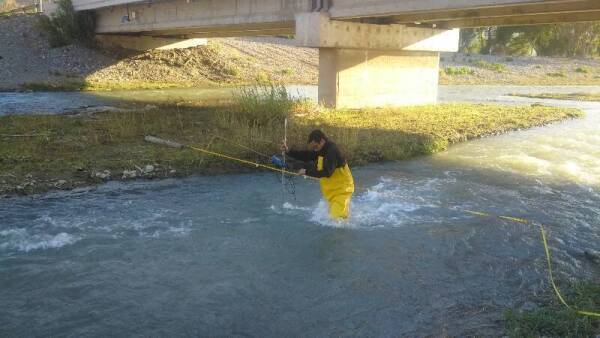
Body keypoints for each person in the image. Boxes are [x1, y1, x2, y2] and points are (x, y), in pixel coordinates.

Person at [282, 130, 354, 220]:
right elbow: (307, 155)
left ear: (322, 141)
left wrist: (306, 171)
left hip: (342, 191)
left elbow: (327, 172)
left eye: (316, 146)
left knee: (337, 221)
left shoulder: (332, 151)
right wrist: (289, 151)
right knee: (333, 218)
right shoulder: (321, 149)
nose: (315, 149)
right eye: (313, 147)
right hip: (331, 192)